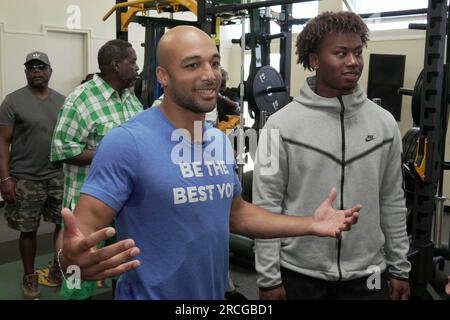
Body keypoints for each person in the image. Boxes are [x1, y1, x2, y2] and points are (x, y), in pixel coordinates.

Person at [57, 25, 361, 300]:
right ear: (163, 76)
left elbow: (237, 214)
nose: (210, 74)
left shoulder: (216, 140)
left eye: (214, 63)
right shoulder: (126, 142)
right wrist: (69, 259)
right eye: (192, 65)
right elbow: (78, 232)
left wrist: (309, 223)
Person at [253, 11, 411, 300]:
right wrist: (268, 277)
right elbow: (266, 205)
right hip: (300, 272)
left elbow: (392, 199)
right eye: (341, 53)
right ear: (314, 60)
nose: (353, 61)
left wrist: (400, 268)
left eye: (357, 52)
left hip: (370, 273)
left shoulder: (384, 123)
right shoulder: (279, 125)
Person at [50, 39, 143, 299]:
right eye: (132, 61)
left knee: (122, 268)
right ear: (116, 64)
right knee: (79, 280)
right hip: (88, 205)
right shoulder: (80, 100)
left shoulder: (131, 100)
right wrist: (110, 155)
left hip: (124, 205)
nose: (137, 67)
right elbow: (62, 149)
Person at [0, 51, 65, 299]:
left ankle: (57, 269)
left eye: (41, 66)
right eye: (31, 67)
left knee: (62, 225)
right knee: (28, 230)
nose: (36, 71)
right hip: (25, 178)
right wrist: (5, 179)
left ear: (50, 71)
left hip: (57, 175)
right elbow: (2, 143)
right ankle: (29, 277)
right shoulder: (12, 101)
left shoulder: (62, 101)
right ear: (26, 72)